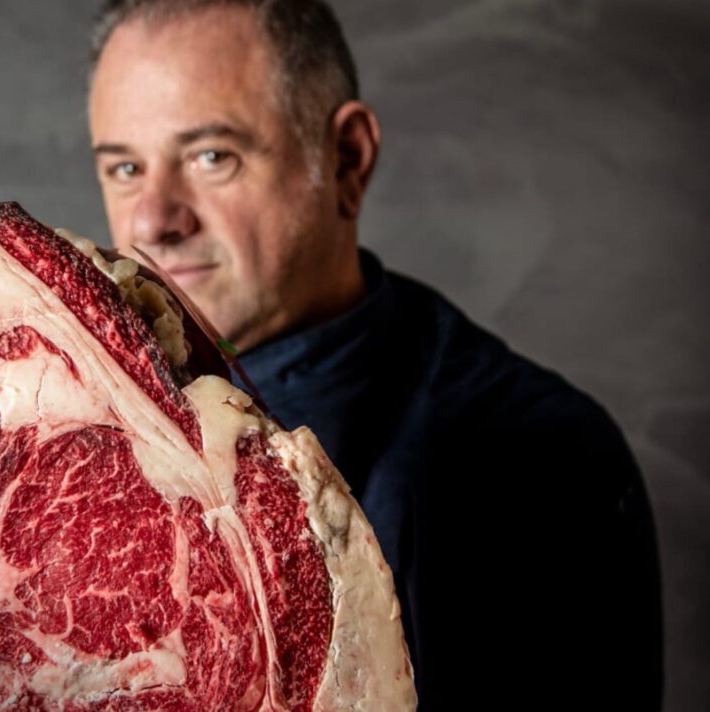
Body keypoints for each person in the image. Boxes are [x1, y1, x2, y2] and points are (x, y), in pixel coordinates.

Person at [87, 0, 662, 709]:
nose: (152, 219)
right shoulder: (82, 427)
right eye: (124, 168)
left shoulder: (539, 456)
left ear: (348, 159)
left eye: (212, 156)